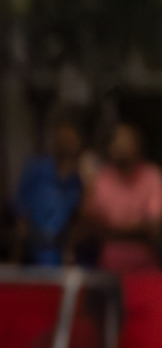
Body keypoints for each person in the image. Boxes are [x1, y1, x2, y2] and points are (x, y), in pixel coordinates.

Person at [81, 122, 162, 273]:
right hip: (109, 265)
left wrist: (112, 230)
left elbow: (152, 227)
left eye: (125, 139)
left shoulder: (152, 176)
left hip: (145, 265)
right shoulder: (102, 178)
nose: (119, 144)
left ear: (138, 144)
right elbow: (91, 224)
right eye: (115, 139)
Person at [14, 115, 86, 266]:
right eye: (61, 136)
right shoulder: (36, 169)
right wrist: (20, 245)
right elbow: (19, 207)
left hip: (66, 257)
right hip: (33, 254)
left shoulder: (81, 178)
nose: (65, 141)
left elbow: (83, 217)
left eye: (70, 137)